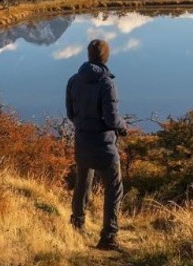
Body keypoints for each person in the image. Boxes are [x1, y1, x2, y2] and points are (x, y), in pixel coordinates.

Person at [65, 38, 128, 251]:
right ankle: (108, 237)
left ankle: (77, 223)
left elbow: (70, 113)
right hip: (104, 145)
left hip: (82, 142)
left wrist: (84, 127)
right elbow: (111, 119)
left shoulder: (74, 80)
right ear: (105, 57)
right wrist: (122, 126)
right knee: (114, 188)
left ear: (88, 55)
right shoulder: (106, 83)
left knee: (82, 182)